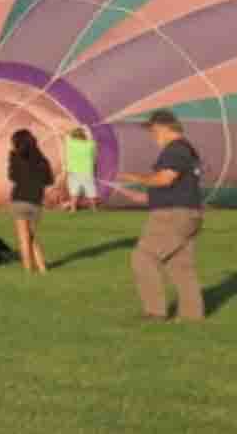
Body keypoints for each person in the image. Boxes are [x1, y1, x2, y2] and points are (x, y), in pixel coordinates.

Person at [118, 109, 207, 322]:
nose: (152, 135)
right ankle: (192, 315)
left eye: (152, 130)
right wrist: (142, 197)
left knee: (143, 257)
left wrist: (136, 178)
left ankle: (155, 312)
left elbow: (165, 179)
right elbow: (178, 187)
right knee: (180, 265)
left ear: (162, 127)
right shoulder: (187, 150)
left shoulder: (175, 150)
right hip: (188, 213)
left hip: (172, 216)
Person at [6, 129, 52, 274]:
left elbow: (12, 177)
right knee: (30, 236)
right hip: (36, 200)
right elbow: (49, 180)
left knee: (23, 238)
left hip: (20, 199)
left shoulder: (15, 157)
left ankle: (28, 270)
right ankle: (42, 268)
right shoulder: (43, 160)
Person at [63, 125, 99, 211]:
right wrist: (86, 128)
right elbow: (94, 155)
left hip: (73, 171)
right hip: (87, 170)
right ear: (84, 135)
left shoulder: (70, 143)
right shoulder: (91, 144)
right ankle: (94, 209)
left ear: (73, 135)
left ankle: (73, 209)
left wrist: (77, 128)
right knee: (90, 190)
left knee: (74, 191)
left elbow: (67, 135)